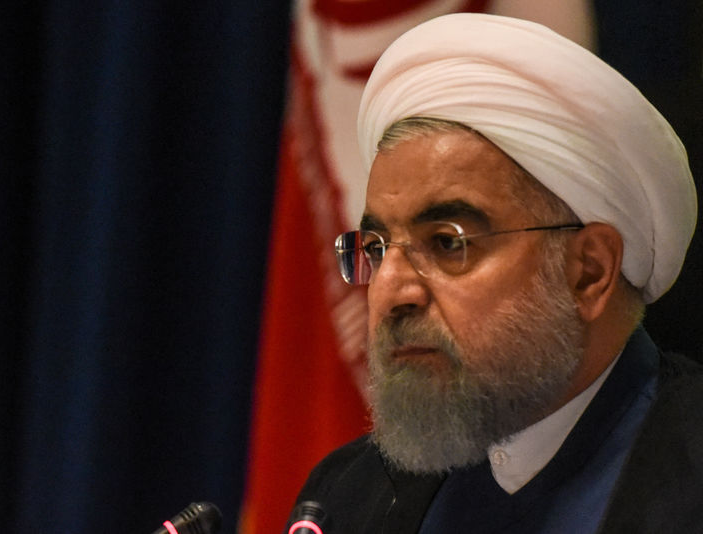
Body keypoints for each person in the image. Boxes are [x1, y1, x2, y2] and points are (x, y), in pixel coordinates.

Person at [288, 13, 701, 533]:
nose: (390, 290)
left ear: (589, 273)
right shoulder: (344, 496)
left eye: (446, 243)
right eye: (375, 247)